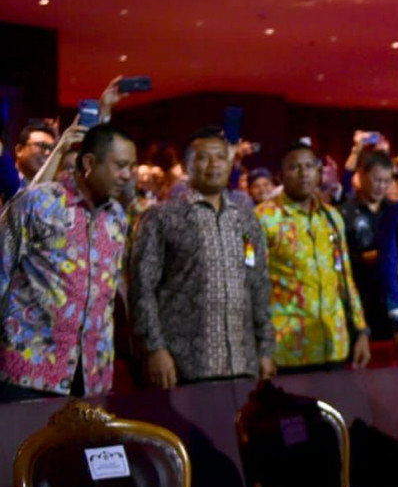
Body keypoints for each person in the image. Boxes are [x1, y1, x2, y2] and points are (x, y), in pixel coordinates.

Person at [130, 126, 275, 387]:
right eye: (204, 157)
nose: (214, 164)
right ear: (187, 164)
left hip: (243, 363)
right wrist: (154, 349)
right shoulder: (162, 217)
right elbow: (142, 288)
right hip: (183, 366)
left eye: (220, 157)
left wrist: (265, 349)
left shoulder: (246, 219)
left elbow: (259, 285)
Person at [0, 124, 136, 400]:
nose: (127, 176)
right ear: (89, 162)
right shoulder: (38, 203)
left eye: (131, 167)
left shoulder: (118, 217)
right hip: (29, 370)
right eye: (121, 165)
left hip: (92, 376)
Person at [255, 142, 372, 370]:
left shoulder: (331, 217)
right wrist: (259, 347)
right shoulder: (263, 218)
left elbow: (345, 277)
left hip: (334, 343)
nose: (303, 173)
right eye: (294, 167)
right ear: (280, 176)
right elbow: (250, 286)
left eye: (309, 166)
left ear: (318, 173)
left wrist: (360, 331)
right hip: (287, 349)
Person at [342, 150, 398, 358]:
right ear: (361, 175)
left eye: (386, 181)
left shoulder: (395, 211)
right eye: (377, 180)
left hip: (393, 304)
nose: (382, 186)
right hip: (360, 304)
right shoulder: (344, 213)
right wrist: (364, 259)